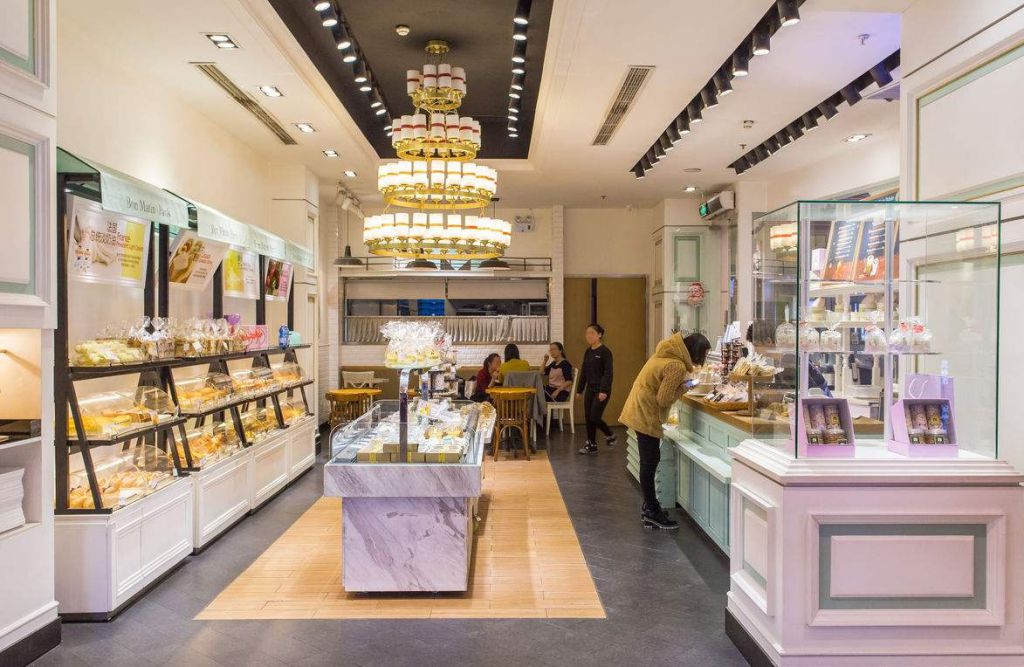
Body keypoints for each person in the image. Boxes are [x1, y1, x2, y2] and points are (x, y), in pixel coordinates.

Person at [620, 332, 711, 530]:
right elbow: (664, 399)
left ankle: (649, 506)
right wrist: (686, 386)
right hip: (647, 414)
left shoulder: (665, 353)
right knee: (650, 461)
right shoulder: (676, 365)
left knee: (649, 460)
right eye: (704, 354)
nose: (703, 358)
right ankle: (652, 511)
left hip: (638, 409)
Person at [576, 324, 615, 454]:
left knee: (594, 416)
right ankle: (591, 444)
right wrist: (579, 390)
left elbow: (608, 373)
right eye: (587, 333)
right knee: (588, 417)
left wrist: (604, 390)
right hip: (590, 389)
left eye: (592, 333)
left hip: (601, 390)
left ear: (599, 335)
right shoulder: (588, 351)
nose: (589, 336)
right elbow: (584, 371)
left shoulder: (605, 352)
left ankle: (609, 434)